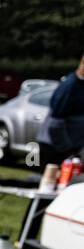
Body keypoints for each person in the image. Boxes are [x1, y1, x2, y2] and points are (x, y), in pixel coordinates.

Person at [37, 53, 84, 190]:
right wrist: (68, 149)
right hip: (54, 147)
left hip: (69, 148)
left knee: (63, 188)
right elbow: (55, 124)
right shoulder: (69, 86)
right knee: (47, 188)